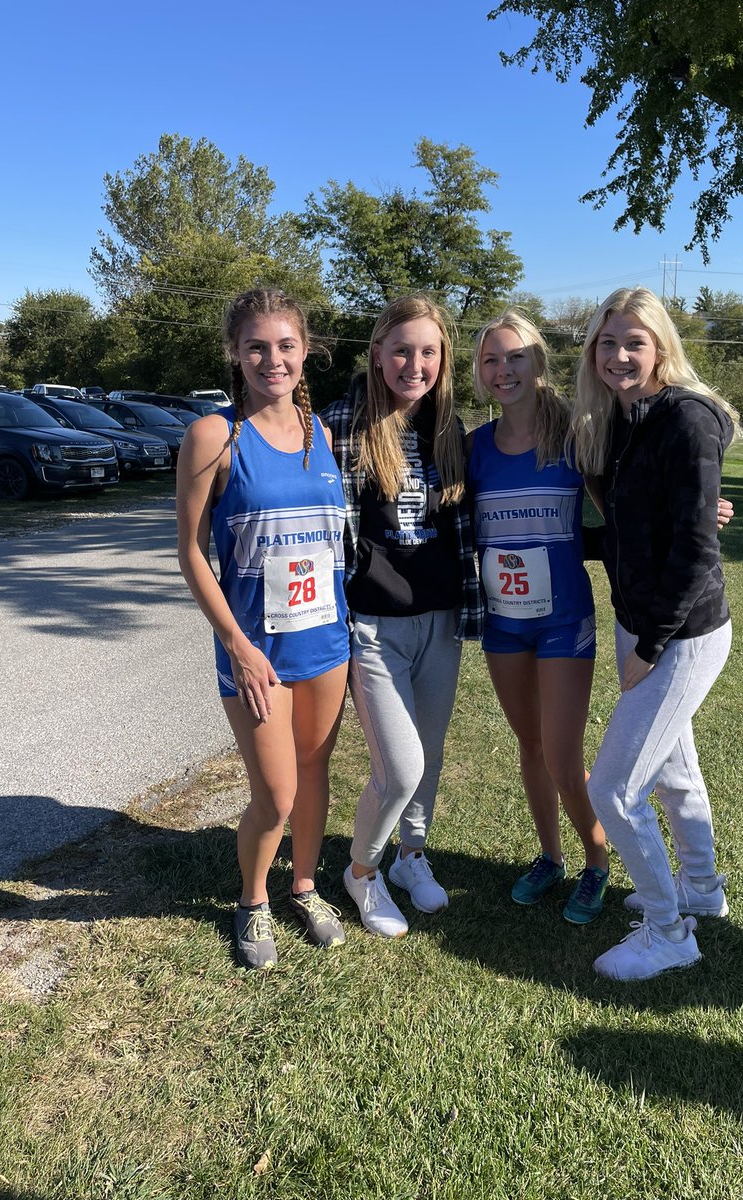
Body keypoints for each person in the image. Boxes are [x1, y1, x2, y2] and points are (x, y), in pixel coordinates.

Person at [177, 287, 350, 969]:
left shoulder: (323, 435)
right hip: (257, 655)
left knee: (313, 774)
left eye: (285, 345)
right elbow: (190, 551)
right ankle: (253, 902)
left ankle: (305, 887)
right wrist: (238, 647)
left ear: (306, 352)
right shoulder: (213, 435)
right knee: (274, 795)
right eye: (257, 347)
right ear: (235, 354)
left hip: (326, 642)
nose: (271, 359)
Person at [574, 286, 739, 981]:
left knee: (614, 788)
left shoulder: (684, 418)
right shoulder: (623, 422)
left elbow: (695, 551)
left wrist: (648, 648)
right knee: (674, 776)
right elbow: (628, 533)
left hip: (681, 634)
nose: (618, 355)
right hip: (638, 621)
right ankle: (701, 892)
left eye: (633, 342)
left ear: (661, 347)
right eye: (607, 343)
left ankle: (670, 932)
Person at [321, 294, 483, 938]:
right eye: (401, 350)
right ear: (377, 353)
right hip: (372, 626)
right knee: (401, 766)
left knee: (432, 754)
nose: (414, 364)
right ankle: (362, 873)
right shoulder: (341, 421)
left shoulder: (448, 428)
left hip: (440, 619)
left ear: (442, 359)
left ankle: (412, 856)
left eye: (428, 352)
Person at [466, 308, 610, 924]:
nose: (504, 370)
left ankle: (596, 858)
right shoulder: (472, 447)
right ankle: (549, 856)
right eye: (491, 360)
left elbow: (626, 507)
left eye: (516, 356)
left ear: (539, 362)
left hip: (563, 619)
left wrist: (697, 508)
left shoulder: (576, 435)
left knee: (559, 750)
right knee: (528, 745)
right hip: (503, 620)